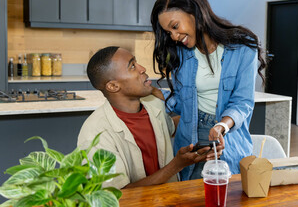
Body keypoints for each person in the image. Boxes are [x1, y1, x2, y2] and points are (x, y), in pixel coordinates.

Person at [150, 0, 266, 180]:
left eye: (175, 26)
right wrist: (154, 94)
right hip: (190, 139)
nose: (175, 37)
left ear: (194, 11)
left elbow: (243, 101)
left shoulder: (243, 46)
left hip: (228, 135)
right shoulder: (180, 53)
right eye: (169, 32)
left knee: (228, 196)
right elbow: (180, 103)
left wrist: (222, 125)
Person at [77, 46, 222, 189]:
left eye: (137, 62)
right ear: (113, 86)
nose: (142, 68)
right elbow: (117, 195)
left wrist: (209, 122)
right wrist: (177, 165)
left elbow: (169, 126)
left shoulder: (153, 103)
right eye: (132, 66)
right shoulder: (94, 134)